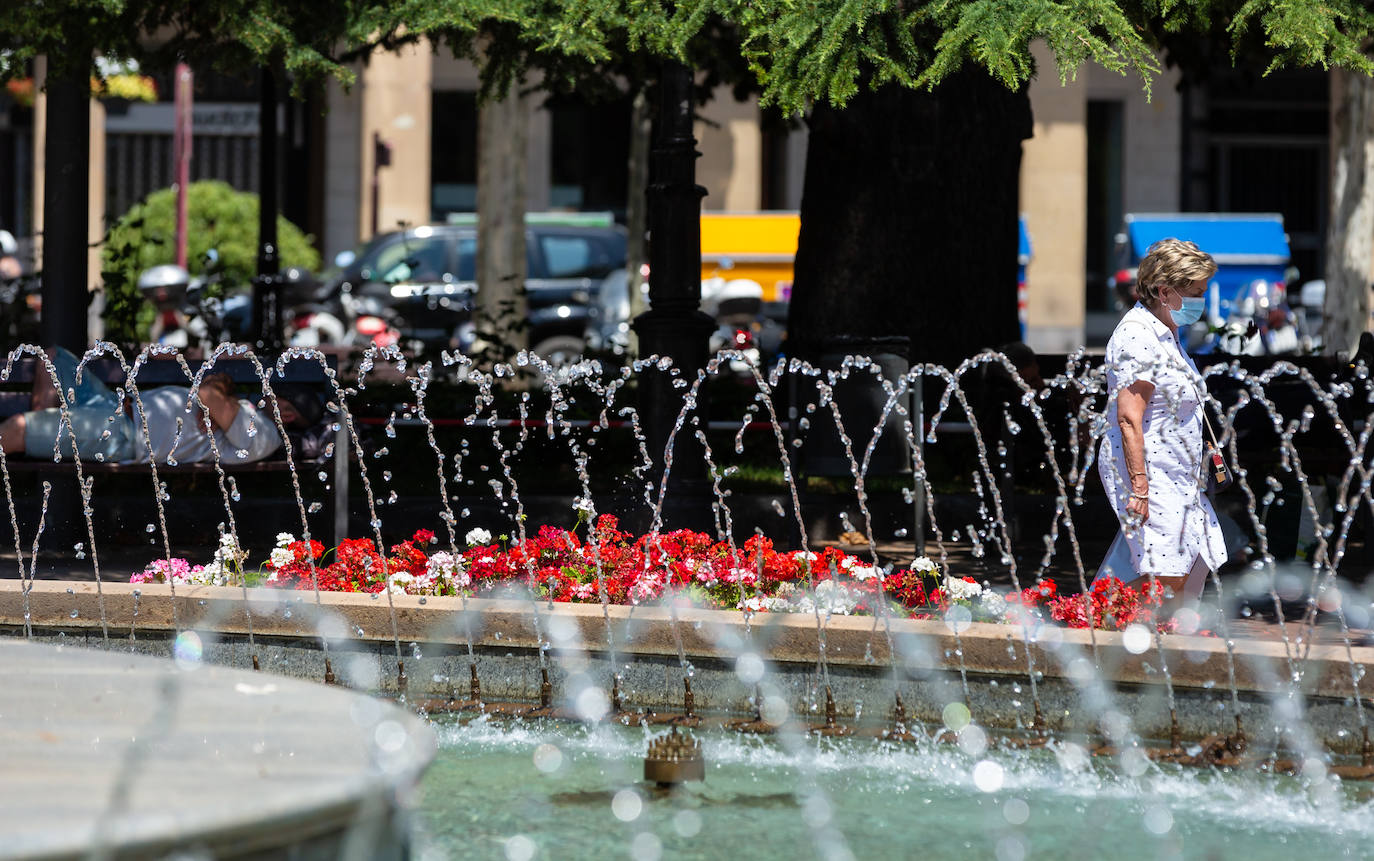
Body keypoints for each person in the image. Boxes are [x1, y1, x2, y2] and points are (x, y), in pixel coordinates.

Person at [1098, 238, 1228, 605]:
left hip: (1176, 469)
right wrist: (1140, 486)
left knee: (1196, 557)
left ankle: (1158, 640)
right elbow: (1128, 417)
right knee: (1168, 570)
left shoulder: (1166, 332)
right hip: (1147, 469)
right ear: (1165, 290)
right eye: (1196, 292)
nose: (1201, 301)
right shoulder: (1137, 335)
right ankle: (1089, 621)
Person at [0, 348, 309, 465]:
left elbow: (208, 393)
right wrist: (223, 389)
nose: (268, 393)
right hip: (112, 405)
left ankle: (36, 435)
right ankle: (43, 434)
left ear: (290, 414)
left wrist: (216, 398)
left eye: (278, 396)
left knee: (16, 429)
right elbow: (216, 384)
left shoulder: (264, 435)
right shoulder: (246, 414)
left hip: (119, 434)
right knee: (52, 357)